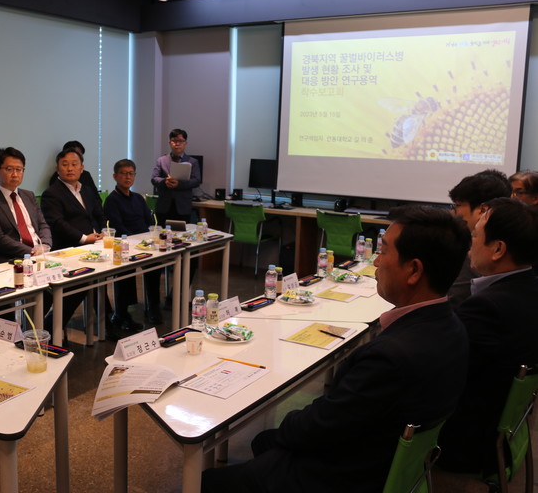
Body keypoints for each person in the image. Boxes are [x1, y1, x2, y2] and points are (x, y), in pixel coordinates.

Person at [201, 205, 470, 493]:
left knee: (208, 481)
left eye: (384, 252)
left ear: (414, 270)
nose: (376, 261)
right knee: (266, 440)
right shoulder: (453, 329)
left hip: (344, 475)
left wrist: (290, 425)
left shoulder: (391, 357)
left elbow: (321, 427)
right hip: (390, 461)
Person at [438, 197, 538, 474]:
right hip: (505, 430)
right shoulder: (529, 289)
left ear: (498, 249)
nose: (469, 246)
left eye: (474, 236)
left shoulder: (487, 307)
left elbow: (443, 372)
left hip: (467, 442)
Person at [41, 148, 108, 332]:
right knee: (81, 284)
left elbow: (99, 214)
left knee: (107, 274)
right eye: (65, 165)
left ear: (82, 168)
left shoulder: (86, 190)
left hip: (96, 247)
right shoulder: (52, 193)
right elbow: (57, 223)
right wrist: (84, 238)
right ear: (57, 169)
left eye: (74, 164)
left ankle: (110, 322)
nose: (70, 168)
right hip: (69, 249)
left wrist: (104, 232)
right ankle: (50, 328)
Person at [103, 159, 163, 331]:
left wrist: (148, 241)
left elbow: (149, 222)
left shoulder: (138, 198)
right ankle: (121, 314)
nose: (128, 177)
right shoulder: (112, 200)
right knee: (125, 269)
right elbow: (118, 227)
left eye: (131, 173)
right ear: (115, 176)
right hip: (126, 246)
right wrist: (136, 242)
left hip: (144, 245)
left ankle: (153, 307)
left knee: (156, 264)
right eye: (123, 173)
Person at [447, 168, 511, 309]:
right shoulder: (513, 238)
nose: (453, 212)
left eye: (457, 206)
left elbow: (456, 299)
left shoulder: (477, 247)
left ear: (482, 210)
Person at [0, 147, 52, 265]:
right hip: (11, 260)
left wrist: (45, 245)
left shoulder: (29, 196)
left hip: (40, 256)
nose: (15, 174)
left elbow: (43, 225)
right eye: (9, 169)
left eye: (19, 169)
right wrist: (31, 251)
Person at [151, 128, 201, 225]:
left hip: (183, 207)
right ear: (170, 143)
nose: (177, 144)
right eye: (174, 141)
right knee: (162, 233)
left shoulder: (193, 161)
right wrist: (165, 181)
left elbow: (196, 180)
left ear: (185, 143)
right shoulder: (161, 160)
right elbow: (154, 178)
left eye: (180, 141)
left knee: (182, 233)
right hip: (164, 206)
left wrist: (179, 184)